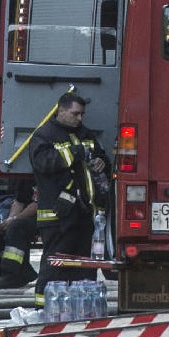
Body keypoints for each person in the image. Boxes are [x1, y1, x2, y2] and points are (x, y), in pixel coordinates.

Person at [23, 89, 114, 308]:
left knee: (84, 266)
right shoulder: (43, 136)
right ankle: (42, 308)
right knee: (55, 264)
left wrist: (103, 162)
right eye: (75, 114)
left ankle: (79, 309)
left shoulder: (86, 134)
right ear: (61, 111)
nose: (80, 118)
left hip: (84, 214)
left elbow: (102, 160)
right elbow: (43, 163)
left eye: (82, 114)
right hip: (57, 214)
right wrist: (73, 152)